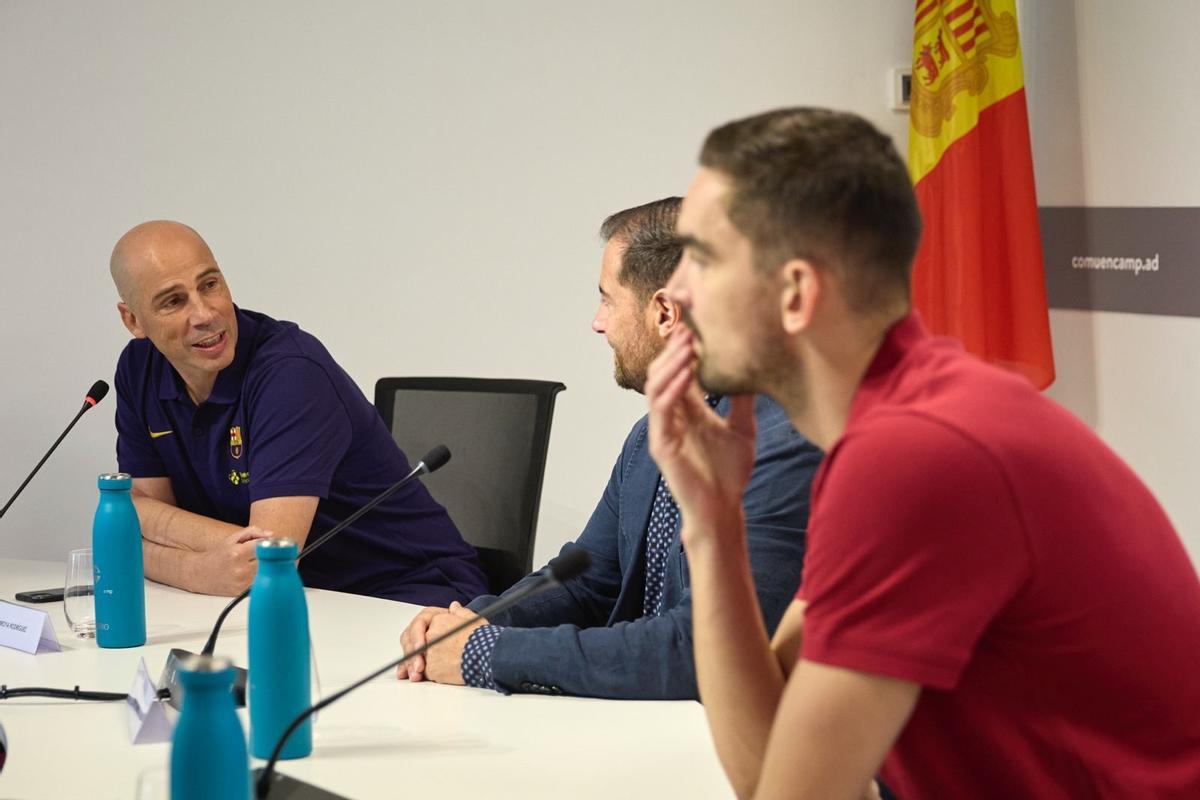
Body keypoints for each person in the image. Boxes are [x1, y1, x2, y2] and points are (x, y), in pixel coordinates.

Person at [645, 107, 1200, 799]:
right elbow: (771, 765)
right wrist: (714, 524)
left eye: (702, 257)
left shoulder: (915, 455)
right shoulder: (902, 419)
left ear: (795, 293)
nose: (678, 292)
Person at [397, 198, 822, 698]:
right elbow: (586, 582)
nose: (597, 323)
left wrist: (487, 653)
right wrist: (472, 622)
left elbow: (705, 653)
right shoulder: (653, 435)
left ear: (666, 311)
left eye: (607, 299)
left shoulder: (787, 442)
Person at [109, 220, 486, 603]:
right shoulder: (139, 369)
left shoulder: (292, 372)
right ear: (133, 320)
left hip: (407, 598)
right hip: (298, 600)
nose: (205, 314)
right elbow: (132, 512)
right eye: (173, 301)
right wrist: (198, 569)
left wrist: (159, 554)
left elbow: (267, 561)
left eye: (210, 284)